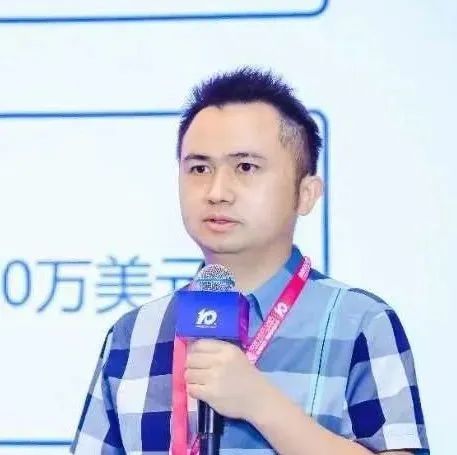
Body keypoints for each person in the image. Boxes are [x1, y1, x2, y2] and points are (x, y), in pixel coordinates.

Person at [71, 68, 429, 454]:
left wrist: (261, 404)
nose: (217, 191)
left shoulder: (360, 322)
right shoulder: (134, 334)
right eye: (199, 168)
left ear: (306, 193)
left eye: (245, 167)